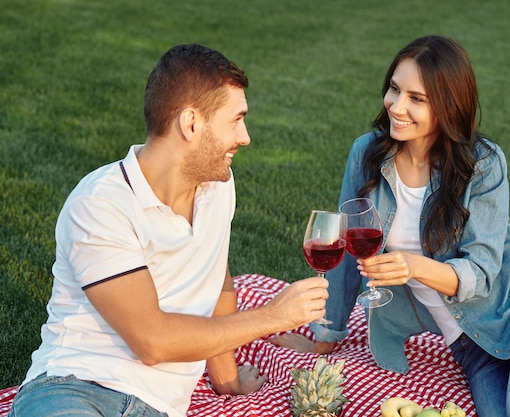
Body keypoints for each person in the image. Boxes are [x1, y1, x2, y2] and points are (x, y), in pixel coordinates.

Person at [271, 35, 510, 416]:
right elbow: (344, 247)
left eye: (416, 98)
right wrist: (327, 336)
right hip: (473, 346)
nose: (397, 106)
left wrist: (412, 266)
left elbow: (483, 273)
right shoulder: (366, 154)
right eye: (394, 89)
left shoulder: (483, 164)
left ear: (447, 106)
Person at [8, 44, 329, 417]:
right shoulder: (101, 204)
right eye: (235, 120)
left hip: (158, 407)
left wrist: (226, 377)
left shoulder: (219, 186)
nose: (245, 137)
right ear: (190, 123)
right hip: (75, 388)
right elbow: (152, 341)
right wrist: (273, 316)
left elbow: (215, 275)